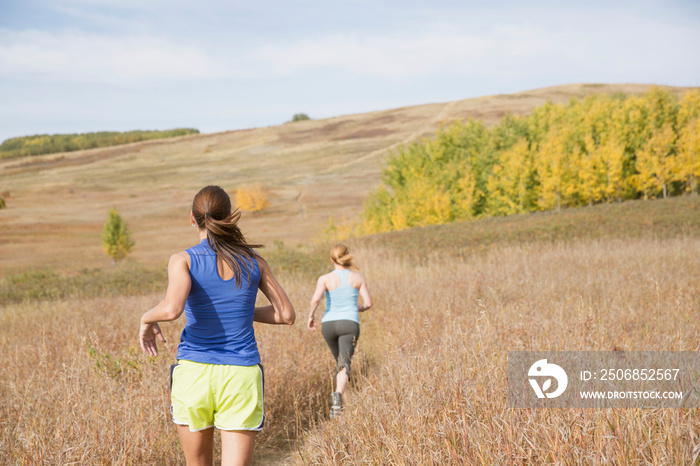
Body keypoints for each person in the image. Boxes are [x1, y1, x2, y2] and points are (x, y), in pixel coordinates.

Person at [139, 185, 295, 466]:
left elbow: (172, 309)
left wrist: (146, 318)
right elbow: (286, 314)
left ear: (191, 218)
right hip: (240, 375)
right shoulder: (253, 260)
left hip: (194, 373)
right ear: (229, 218)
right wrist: (243, 311)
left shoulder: (183, 260)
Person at [307, 244, 372, 418]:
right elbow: (368, 303)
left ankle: (345, 407)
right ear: (346, 257)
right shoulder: (357, 277)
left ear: (332, 259)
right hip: (349, 323)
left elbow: (315, 299)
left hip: (328, 324)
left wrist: (310, 316)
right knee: (345, 364)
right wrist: (358, 307)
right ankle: (337, 397)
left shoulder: (325, 278)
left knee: (341, 363)